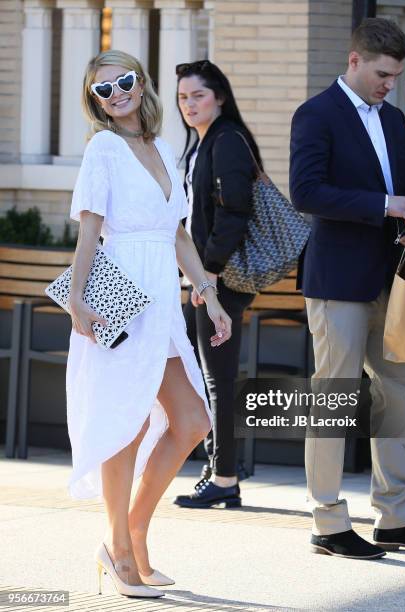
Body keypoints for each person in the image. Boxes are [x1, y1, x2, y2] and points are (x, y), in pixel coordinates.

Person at [290, 18, 405, 560]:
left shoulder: (390, 119)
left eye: (398, 75)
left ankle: (396, 518)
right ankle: (327, 522)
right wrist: (381, 206)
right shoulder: (315, 114)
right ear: (356, 60)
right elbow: (306, 191)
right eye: (384, 74)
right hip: (337, 280)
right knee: (333, 396)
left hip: (392, 277)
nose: (391, 84)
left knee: (398, 393)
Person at [67, 50, 232, 598]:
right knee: (127, 422)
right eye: (103, 91)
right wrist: (77, 300)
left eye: (125, 82)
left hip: (161, 298)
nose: (117, 95)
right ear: (94, 102)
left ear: (143, 83)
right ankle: (117, 548)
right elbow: (89, 233)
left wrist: (209, 296)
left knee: (191, 421)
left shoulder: (163, 146)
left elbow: (178, 234)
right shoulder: (103, 150)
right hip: (120, 291)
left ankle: (134, 529)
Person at [172, 60, 259, 508]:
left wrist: (207, 273)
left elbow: (235, 212)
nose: (189, 104)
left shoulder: (226, 141)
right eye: (183, 97)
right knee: (208, 376)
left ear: (219, 97)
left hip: (218, 280)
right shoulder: (203, 143)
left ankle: (225, 475)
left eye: (198, 96)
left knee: (217, 378)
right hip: (207, 277)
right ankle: (218, 466)